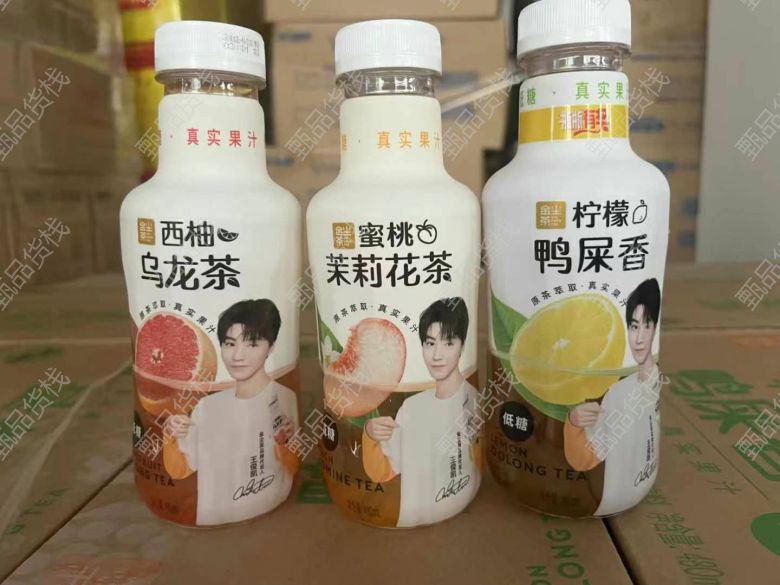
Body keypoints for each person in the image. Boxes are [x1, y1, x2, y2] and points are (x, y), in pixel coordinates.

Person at [163, 299, 299, 526]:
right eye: (230, 343)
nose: (237, 356)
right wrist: (173, 432)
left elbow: (292, 465)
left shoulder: (284, 398)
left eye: (252, 344)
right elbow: (181, 468)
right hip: (209, 518)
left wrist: (285, 443)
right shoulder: (207, 406)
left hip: (270, 515)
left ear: (271, 347)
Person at [361, 298, 481, 527]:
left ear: (463, 346)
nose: (436, 355)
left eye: (448, 343)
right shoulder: (412, 407)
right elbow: (383, 471)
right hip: (408, 519)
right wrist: (370, 434)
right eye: (429, 343)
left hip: (457, 511)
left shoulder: (471, 399)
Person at [564, 279, 662, 516]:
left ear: (656, 327)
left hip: (635, 487)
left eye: (647, 325)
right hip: (609, 497)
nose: (638, 338)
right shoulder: (617, 392)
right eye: (633, 326)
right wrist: (574, 423)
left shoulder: (656, 382)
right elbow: (585, 458)